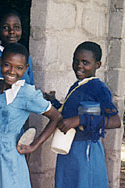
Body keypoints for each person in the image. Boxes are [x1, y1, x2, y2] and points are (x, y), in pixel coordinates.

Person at [0, 43, 62, 188]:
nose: (12, 71)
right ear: (0, 62)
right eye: (7, 65)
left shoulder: (27, 93)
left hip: (10, 161)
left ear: (26, 69)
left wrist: (34, 146)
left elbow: (56, 117)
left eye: (19, 68)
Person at [51, 41, 121, 188]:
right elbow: (70, 113)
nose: (79, 66)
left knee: (85, 182)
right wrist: (53, 102)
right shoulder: (78, 85)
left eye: (85, 62)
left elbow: (115, 121)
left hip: (85, 149)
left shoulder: (98, 88)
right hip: (69, 147)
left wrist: (80, 120)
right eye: (75, 61)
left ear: (98, 65)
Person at [0, 10, 34, 85]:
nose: (12, 31)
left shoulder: (25, 57)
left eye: (16, 27)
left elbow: (31, 85)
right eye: (6, 27)